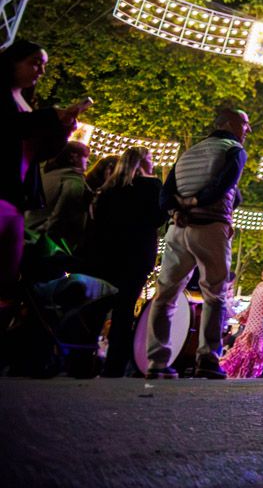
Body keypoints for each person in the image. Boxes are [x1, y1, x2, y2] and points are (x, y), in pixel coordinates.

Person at [145, 107, 250, 379]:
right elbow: (224, 185)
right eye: (245, 124)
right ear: (229, 124)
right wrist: (197, 202)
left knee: (165, 295)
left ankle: (157, 362)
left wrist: (178, 208)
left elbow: (166, 193)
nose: (247, 130)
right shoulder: (234, 150)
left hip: (177, 228)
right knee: (215, 294)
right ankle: (208, 358)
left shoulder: (187, 154)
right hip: (211, 227)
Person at [1, 41, 86, 285]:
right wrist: (51, 116)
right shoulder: (5, 100)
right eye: (35, 63)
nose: (41, 71)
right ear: (13, 61)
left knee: (8, 275)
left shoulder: (25, 102)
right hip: (3, 190)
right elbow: (10, 129)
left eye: (44, 65)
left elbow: (36, 152)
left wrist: (63, 132)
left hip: (17, 196)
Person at [79, 145, 165, 376]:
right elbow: (159, 218)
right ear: (143, 162)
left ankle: (82, 359)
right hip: (136, 255)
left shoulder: (109, 188)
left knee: (98, 306)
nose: (153, 161)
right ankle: (115, 365)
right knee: (124, 310)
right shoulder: (151, 186)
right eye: (150, 157)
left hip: (105, 254)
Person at [221, 261, 263, 378]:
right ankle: (242, 371)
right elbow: (252, 304)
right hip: (251, 320)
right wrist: (244, 315)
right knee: (245, 343)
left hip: (262, 321)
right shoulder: (260, 285)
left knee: (256, 345)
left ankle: (257, 371)